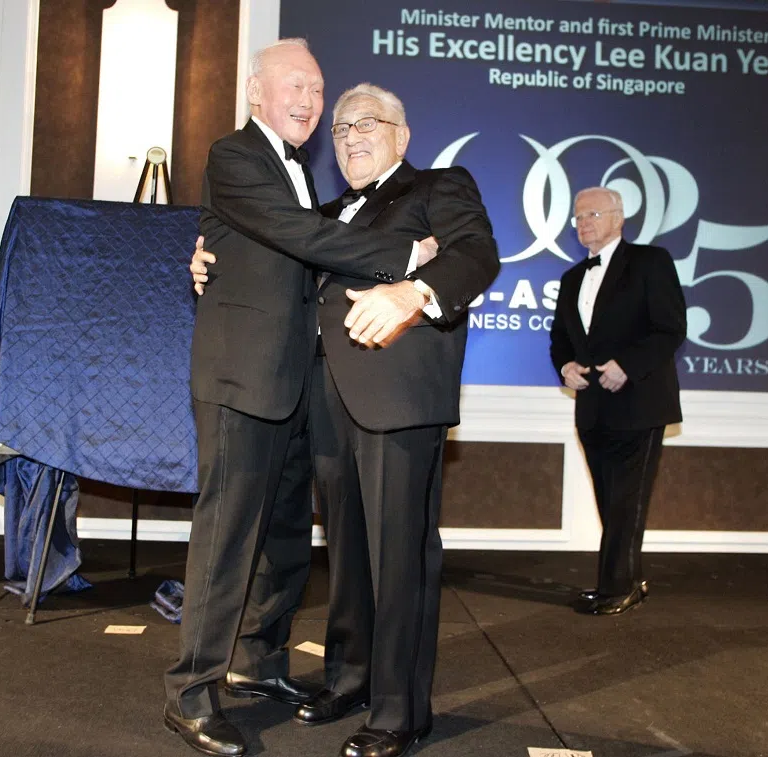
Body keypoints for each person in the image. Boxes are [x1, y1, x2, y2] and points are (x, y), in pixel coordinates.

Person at [193, 83, 499, 757]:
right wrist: (203, 256)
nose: (350, 135)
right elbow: (273, 258)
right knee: (351, 552)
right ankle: (351, 676)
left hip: (399, 397)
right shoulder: (325, 212)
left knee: (399, 553)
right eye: (339, 129)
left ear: (402, 134)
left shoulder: (440, 187)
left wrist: (412, 292)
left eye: (367, 123)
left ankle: (400, 710)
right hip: (324, 401)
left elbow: (478, 255)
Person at [165, 40, 436, 757]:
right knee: (227, 539)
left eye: (318, 89)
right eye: (295, 85)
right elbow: (296, 236)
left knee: (284, 542)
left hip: (292, 388)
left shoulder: (300, 178)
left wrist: (204, 254)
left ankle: (260, 663)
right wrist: (405, 260)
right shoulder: (235, 155)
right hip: (240, 380)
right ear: (256, 92)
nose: (310, 101)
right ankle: (191, 692)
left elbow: (280, 259)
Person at [549, 187, 686, 616]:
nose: (584, 223)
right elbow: (559, 340)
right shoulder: (573, 277)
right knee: (611, 499)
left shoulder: (650, 262)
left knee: (627, 499)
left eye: (592, 213)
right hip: (592, 409)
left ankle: (616, 588)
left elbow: (670, 328)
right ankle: (628, 578)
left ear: (618, 218)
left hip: (640, 402)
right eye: (578, 217)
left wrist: (626, 364)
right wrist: (566, 366)